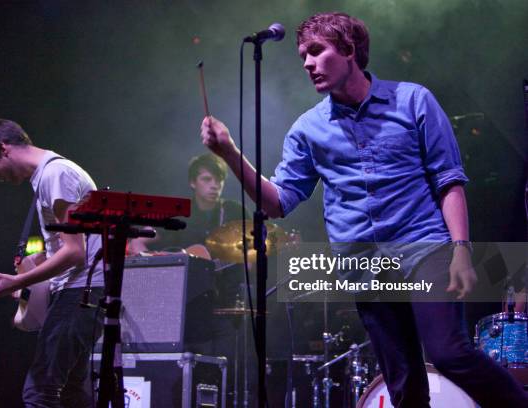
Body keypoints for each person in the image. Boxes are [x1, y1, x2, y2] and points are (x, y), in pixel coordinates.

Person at [200, 12, 528, 407]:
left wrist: (461, 248)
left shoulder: (412, 100)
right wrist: (230, 153)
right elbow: (279, 202)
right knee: (403, 379)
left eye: (317, 52)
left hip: (424, 246)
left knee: (449, 352)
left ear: (349, 50)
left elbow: (449, 181)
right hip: (364, 262)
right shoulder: (307, 129)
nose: (307, 63)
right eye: (303, 55)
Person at [0, 119, 104, 408]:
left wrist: (20, 282)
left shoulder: (55, 174)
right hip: (80, 291)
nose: (0, 178)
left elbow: (75, 253)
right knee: (72, 393)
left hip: (80, 291)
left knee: (39, 393)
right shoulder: (48, 177)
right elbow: (65, 247)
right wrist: (16, 278)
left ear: (3, 149)